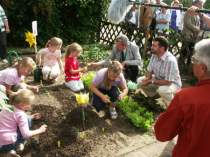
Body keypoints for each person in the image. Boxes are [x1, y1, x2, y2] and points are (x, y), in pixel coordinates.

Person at [154, 39, 210, 157]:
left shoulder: (186, 98)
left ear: (203, 68)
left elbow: (162, 133)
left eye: (194, 60)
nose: (193, 63)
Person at [0, 89, 47, 156]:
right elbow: (26, 134)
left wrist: (32, 117)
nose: (29, 106)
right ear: (23, 105)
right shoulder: (21, 115)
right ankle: (18, 145)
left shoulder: (6, 108)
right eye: (29, 105)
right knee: (26, 118)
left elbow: (13, 119)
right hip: (6, 146)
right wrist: (40, 130)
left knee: (27, 117)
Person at [137, 36, 182, 107]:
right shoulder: (154, 55)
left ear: (162, 48)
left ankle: (173, 108)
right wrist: (147, 79)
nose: (151, 47)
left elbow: (168, 82)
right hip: (159, 80)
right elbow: (149, 71)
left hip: (172, 84)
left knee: (162, 90)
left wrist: (151, 82)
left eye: (154, 46)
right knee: (140, 80)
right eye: (152, 45)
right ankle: (153, 97)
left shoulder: (170, 60)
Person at [181, 0, 203, 65]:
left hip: (194, 35)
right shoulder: (188, 12)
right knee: (184, 51)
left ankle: (188, 65)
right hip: (187, 35)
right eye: (200, 4)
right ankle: (181, 63)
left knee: (191, 51)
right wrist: (197, 29)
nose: (201, 6)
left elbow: (198, 24)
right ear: (195, 4)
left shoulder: (197, 13)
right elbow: (188, 23)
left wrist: (197, 30)